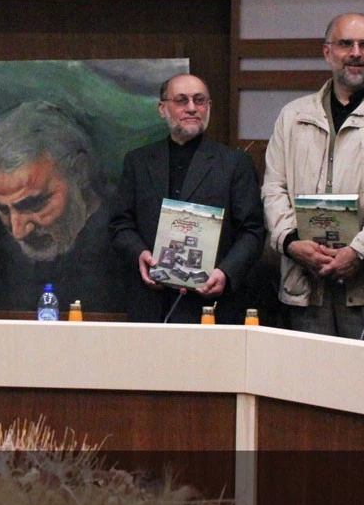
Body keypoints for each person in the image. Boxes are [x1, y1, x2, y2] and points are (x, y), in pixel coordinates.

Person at [262, 13, 364, 342]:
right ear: (327, 52)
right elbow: (273, 187)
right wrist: (291, 242)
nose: (355, 53)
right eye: (345, 44)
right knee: (309, 373)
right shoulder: (293, 116)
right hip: (305, 279)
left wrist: (359, 252)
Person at [110, 74, 265, 324]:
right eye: (181, 100)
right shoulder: (138, 162)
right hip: (150, 302)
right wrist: (139, 253)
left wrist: (226, 272)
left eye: (199, 100)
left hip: (212, 304)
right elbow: (120, 224)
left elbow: (253, 231)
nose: (192, 108)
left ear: (208, 106)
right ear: (162, 108)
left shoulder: (235, 164)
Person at [0, 100, 126, 313]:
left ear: (79, 172)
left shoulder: (126, 236)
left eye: (33, 204)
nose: (18, 231)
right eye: (3, 210)